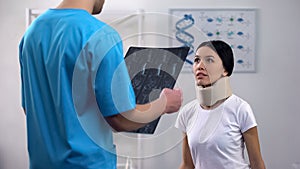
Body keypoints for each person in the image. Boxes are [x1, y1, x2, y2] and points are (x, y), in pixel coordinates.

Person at [18, 0, 182, 168]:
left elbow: (30, 108)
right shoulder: (101, 35)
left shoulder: (31, 34)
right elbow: (121, 119)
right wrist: (164, 103)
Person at [175, 40, 265, 169]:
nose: (200, 66)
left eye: (209, 60)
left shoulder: (240, 108)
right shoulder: (187, 112)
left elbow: (257, 164)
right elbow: (188, 165)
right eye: (196, 60)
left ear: (225, 70)